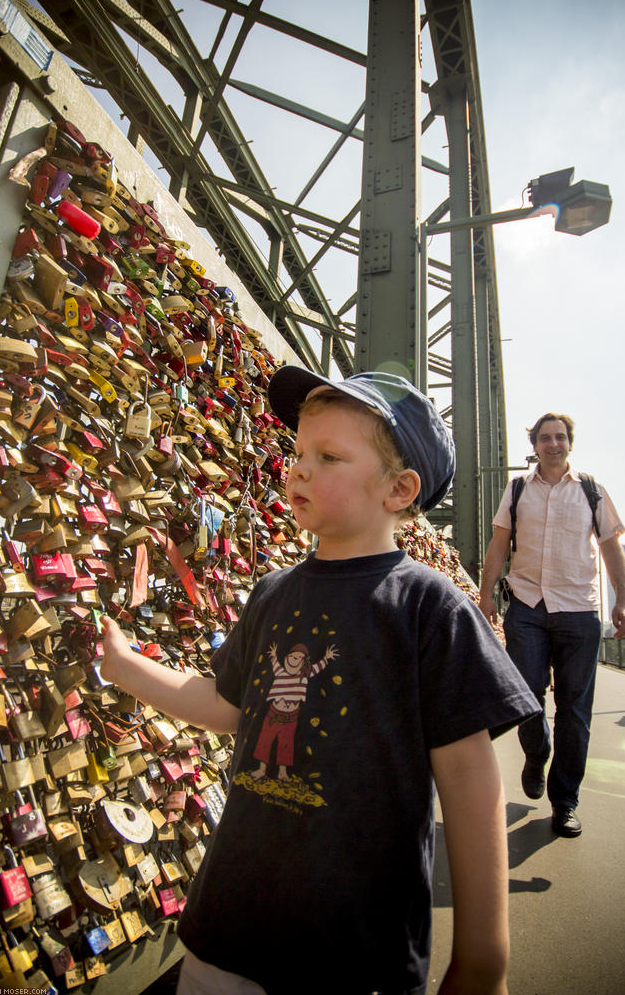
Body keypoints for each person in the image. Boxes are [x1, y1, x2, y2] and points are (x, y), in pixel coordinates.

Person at [101, 367, 540, 995]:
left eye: (328, 456)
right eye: (299, 451)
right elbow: (224, 706)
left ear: (398, 490)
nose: (299, 468)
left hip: (355, 953)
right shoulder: (273, 592)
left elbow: (471, 781)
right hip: (225, 930)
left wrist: (483, 960)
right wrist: (126, 667)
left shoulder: (429, 608)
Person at [479, 413, 625, 839]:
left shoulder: (591, 490)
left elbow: (612, 547)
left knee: (575, 712)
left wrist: (623, 600)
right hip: (527, 605)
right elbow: (498, 543)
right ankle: (537, 751)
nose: (553, 444)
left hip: (579, 610)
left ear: (570, 443)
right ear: (536, 444)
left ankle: (565, 802)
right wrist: (486, 595)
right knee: (525, 698)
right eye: (545, 438)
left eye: (560, 437)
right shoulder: (518, 488)